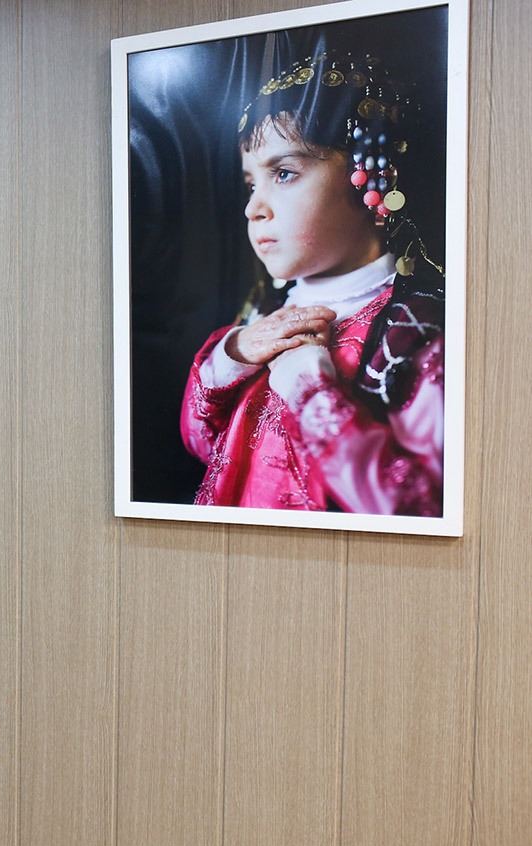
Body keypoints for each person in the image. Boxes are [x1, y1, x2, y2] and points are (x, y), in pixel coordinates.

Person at [181, 49, 444, 515]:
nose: (253, 208)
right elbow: (205, 448)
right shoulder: (266, 316)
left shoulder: (416, 333)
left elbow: (419, 507)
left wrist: (315, 399)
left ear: (373, 178)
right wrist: (232, 356)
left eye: (283, 174)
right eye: (251, 185)